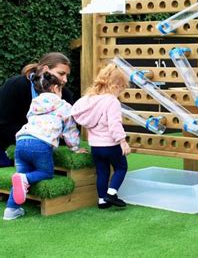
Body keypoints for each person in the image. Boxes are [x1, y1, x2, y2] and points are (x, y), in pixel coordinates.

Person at [3, 72, 86, 221]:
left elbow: (31, 119)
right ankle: (24, 178)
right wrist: (75, 148)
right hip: (40, 143)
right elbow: (70, 130)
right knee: (45, 172)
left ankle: (11, 209)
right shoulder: (64, 106)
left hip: (21, 141)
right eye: (60, 89)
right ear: (55, 88)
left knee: (21, 175)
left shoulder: (35, 103)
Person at [72, 64, 131, 209]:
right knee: (121, 167)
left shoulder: (90, 99)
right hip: (111, 145)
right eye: (121, 88)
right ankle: (111, 194)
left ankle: (102, 200)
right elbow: (114, 124)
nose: (120, 92)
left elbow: (75, 110)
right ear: (115, 85)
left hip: (96, 147)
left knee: (102, 172)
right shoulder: (112, 101)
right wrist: (123, 141)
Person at [0, 52, 73, 167]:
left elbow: (68, 129)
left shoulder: (65, 95)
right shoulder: (15, 85)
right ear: (45, 69)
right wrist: (38, 134)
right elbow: (3, 126)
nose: (65, 80)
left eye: (67, 75)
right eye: (61, 74)